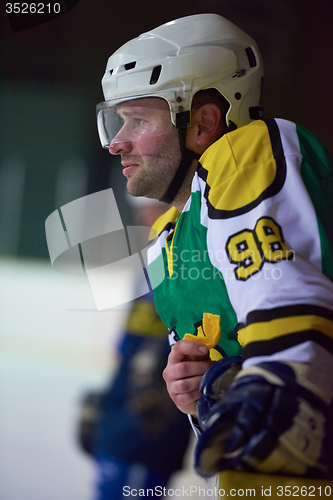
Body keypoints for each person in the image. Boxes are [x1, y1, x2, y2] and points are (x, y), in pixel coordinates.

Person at [96, 13, 333, 480]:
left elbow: (287, 300)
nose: (116, 143)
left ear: (204, 121)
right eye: (116, 122)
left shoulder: (242, 152)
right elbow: (222, 386)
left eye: (137, 120)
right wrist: (196, 393)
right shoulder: (164, 240)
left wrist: (279, 385)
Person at [77, 197, 192, 499]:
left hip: (148, 435)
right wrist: (109, 409)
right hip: (119, 426)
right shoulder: (148, 266)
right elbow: (127, 350)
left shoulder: (191, 269)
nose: (145, 222)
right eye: (142, 213)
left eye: (154, 212)